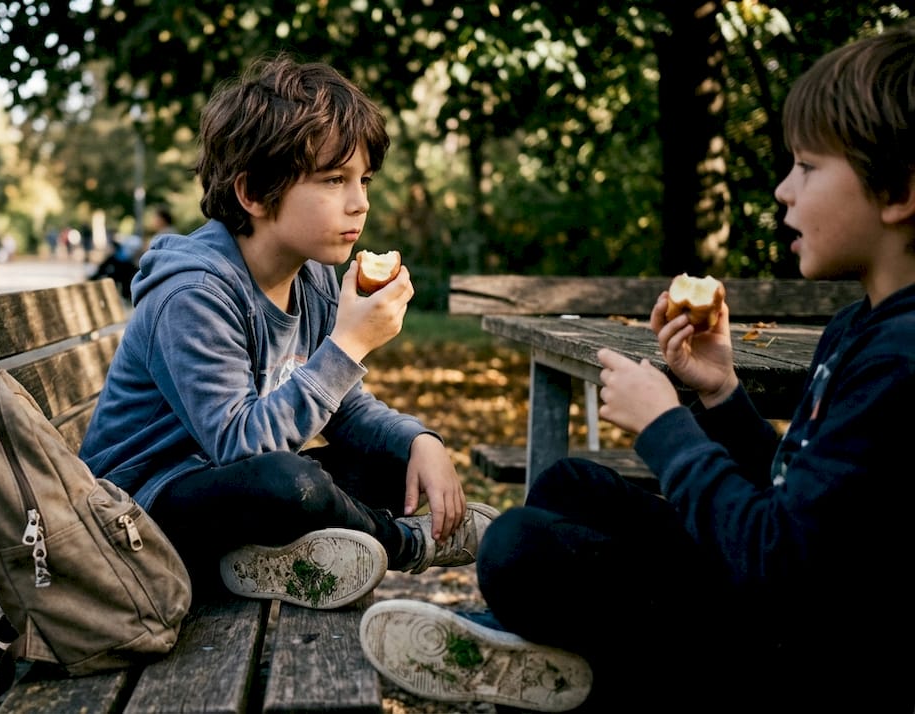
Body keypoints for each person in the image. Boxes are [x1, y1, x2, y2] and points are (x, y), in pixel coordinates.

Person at [359, 24, 915, 713]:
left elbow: (779, 559)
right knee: (567, 484)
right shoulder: (859, 326)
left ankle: (562, 667)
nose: (781, 190)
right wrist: (722, 397)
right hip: (781, 606)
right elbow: (797, 499)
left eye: (806, 167)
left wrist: (665, 429)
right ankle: (538, 660)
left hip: (809, 659)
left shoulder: (901, 360)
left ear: (897, 191)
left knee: (515, 545)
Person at [78, 54, 496, 611]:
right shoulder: (193, 294)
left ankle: (258, 565)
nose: (360, 202)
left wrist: (421, 440)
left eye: (363, 180)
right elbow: (239, 447)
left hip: (235, 503)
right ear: (253, 193)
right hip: (145, 519)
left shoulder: (313, 276)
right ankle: (401, 544)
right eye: (333, 180)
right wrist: (349, 344)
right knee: (287, 482)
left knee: (391, 463)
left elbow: (342, 409)